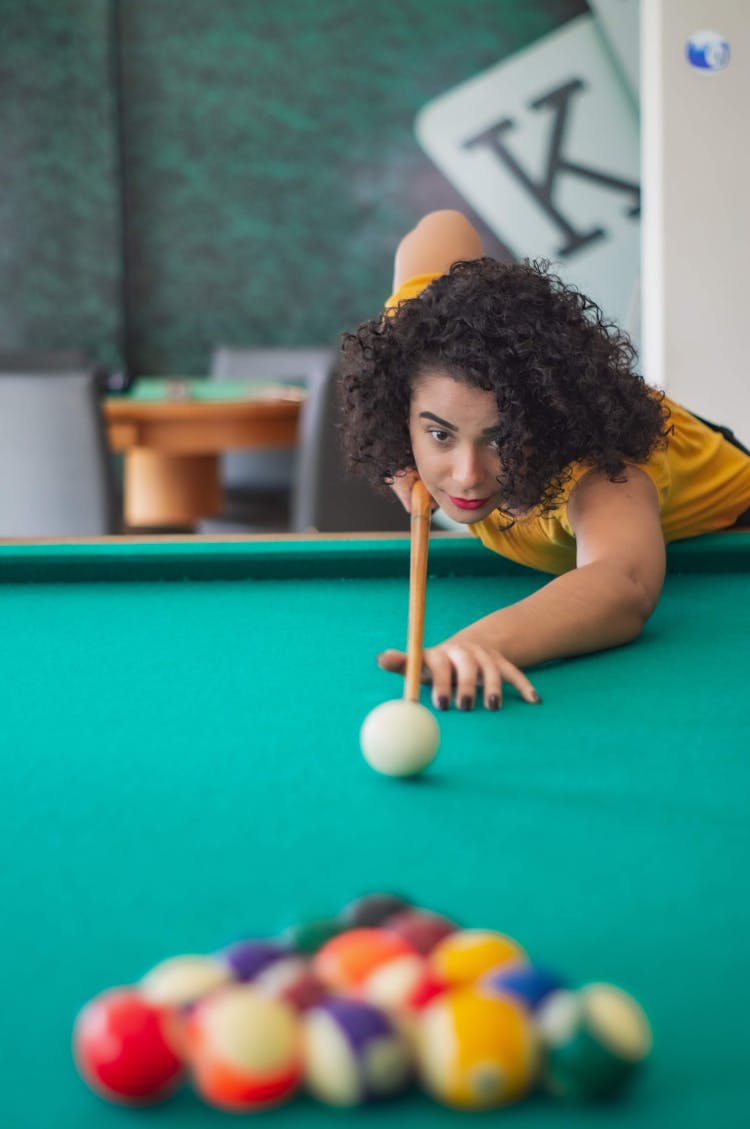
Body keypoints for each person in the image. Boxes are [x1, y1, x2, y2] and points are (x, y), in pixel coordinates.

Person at [338, 210, 750, 711]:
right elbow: (443, 225)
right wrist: (404, 449)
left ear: (542, 424)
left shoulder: (601, 470)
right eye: (440, 434)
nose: (466, 475)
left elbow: (624, 583)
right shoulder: (423, 351)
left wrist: (481, 642)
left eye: (500, 438)